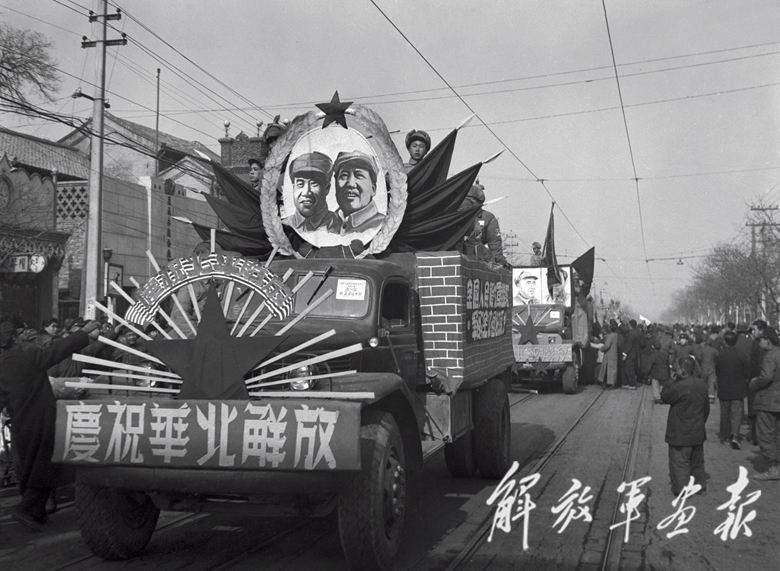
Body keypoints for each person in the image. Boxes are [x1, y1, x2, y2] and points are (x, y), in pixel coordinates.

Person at [0, 319, 101, 530]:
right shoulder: (28, 358)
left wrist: (7, 410)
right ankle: (27, 509)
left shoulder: (2, 364)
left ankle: (36, 512)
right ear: (14, 339)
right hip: (40, 420)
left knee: (28, 465)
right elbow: (57, 350)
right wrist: (84, 332)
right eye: (19, 336)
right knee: (44, 466)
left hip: (19, 422)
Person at [661, 356, 710, 496]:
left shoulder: (679, 386)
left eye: (676, 368)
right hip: (697, 432)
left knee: (679, 462)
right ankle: (700, 487)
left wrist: (670, 380)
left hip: (680, 433)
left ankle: (682, 489)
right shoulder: (702, 384)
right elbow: (706, 410)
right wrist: (699, 423)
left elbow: (665, 396)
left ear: (682, 371)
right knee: (697, 463)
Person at [282, 152, 341, 233]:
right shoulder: (281, 226)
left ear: (327, 188)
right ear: (293, 188)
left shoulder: (341, 227)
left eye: (314, 183)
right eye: (300, 184)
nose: (306, 193)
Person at [749, 326, 780, 480]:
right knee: (777, 434)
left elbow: (766, 377)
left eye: (761, 339)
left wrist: (753, 384)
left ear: (768, 340)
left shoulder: (769, 356)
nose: (759, 343)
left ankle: (773, 468)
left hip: (768, 399)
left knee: (766, 433)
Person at [333, 150, 385, 235]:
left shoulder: (383, 226)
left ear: (373, 189)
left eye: (359, 175)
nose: (351, 184)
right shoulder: (327, 225)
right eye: (344, 175)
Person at [459, 182, 508, 266]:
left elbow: (495, 244)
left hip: (476, 260)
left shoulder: (488, 218)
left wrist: (501, 262)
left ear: (476, 201)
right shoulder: (453, 216)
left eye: (468, 200)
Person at [715, 330, 749, 448]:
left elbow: (717, 371)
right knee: (737, 414)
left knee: (725, 414)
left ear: (725, 341)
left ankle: (725, 437)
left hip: (724, 389)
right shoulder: (741, 355)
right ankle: (735, 435)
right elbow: (746, 371)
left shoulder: (720, 355)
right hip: (738, 389)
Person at [621, 319, 644, 390]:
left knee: (629, 368)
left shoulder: (631, 334)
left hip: (630, 354)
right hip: (636, 353)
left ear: (629, 325)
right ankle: (628, 383)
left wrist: (625, 354)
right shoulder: (638, 332)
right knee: (632, 368)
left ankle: (632, 384)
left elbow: (628, 345)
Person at [598, 320, 620, 389]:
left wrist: (601, 349)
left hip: (609, 355)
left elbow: (607, 346)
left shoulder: (610, 336)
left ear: (610, 329)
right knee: (613, 370)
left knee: (607, 370)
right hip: (614, 354)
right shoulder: (616, 335)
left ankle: (608, 384)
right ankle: (613, 383)